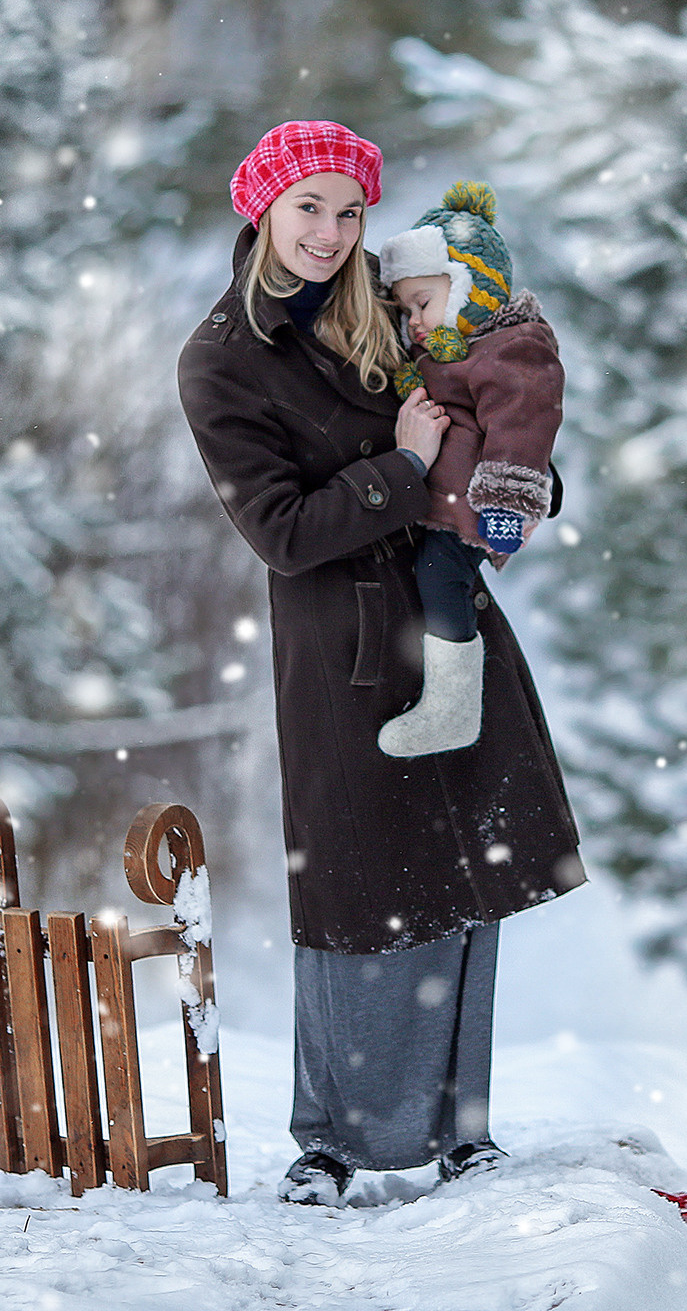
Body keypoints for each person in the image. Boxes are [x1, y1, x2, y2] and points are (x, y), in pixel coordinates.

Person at [176, 120, 585, 1207]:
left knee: (466, 881)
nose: (329, 231)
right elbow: (282, 529)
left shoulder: (398, 311)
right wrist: (402, 469)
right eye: (307, 207)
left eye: (349, 210)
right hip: (342, 644)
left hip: (450, 619)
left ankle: (463, 1128)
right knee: (354, 888)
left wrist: (518, 487)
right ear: (262, 210)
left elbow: (496, 410)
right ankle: (331, 1139)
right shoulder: (223, 358)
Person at [373, 181, 564, 759]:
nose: (415, 323)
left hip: (477, 508)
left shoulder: (511, 348)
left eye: (425, 303)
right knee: (433, 577)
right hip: (444, 506)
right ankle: (449, 703)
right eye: (405, 311)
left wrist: (508, 502)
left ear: (469, 290)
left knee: (440, 576)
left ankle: (453, 708)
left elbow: (523, 425)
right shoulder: (450, 355)